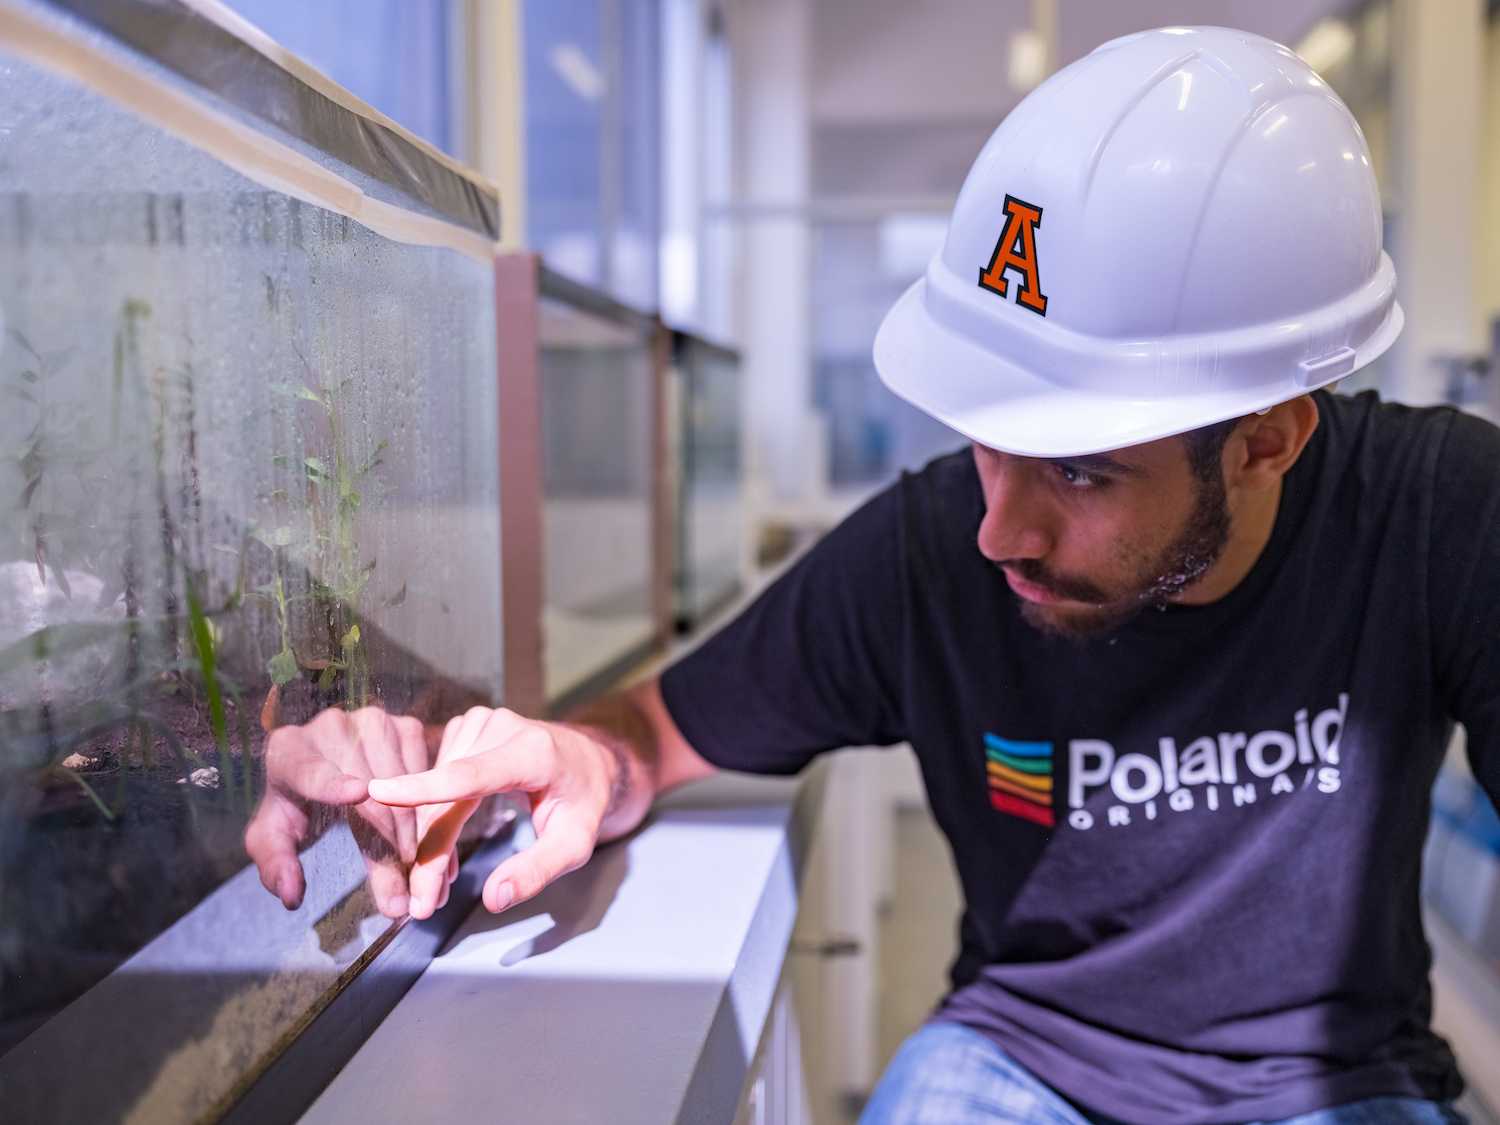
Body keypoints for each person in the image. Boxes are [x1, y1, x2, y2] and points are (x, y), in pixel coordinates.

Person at [247, 26, 1496, 1124]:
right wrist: (572, 761)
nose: (1000, 531)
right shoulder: (925, 553)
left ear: (1269, 438)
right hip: (1022, 1057)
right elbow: (654, 734)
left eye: (1082, 473)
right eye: (989, 443)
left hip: (1340, 1075)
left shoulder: (1438, 516)